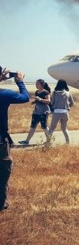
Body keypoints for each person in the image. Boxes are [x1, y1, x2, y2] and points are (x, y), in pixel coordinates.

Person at [0, 68, 30, 211]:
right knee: (3, 170)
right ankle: (1, 203)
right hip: (0, 139)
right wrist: (20, 81)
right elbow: (25, 97)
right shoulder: (4, 94)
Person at [18, 79, 51, 145]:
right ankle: (26, 141)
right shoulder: (36, 92)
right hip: (36, 111)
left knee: (44, 127)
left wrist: (40, 99)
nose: (36, 85)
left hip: (44, 111)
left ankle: (49, 140)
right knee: (33, 126)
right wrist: (34, 101)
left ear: (42, 85)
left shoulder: (46, 92)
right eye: (36, 83)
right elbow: (37, 100)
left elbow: (48, 101)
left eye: (37, 84)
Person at [47, 79, 75, 144]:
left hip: (56, 112)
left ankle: (48, 142)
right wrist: (68, 108)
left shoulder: (54, 93)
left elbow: (52, 102)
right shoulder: (68, 93)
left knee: (52, 129)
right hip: (65, 112)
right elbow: (72, 103)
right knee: (64, 129)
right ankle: (67, 142)